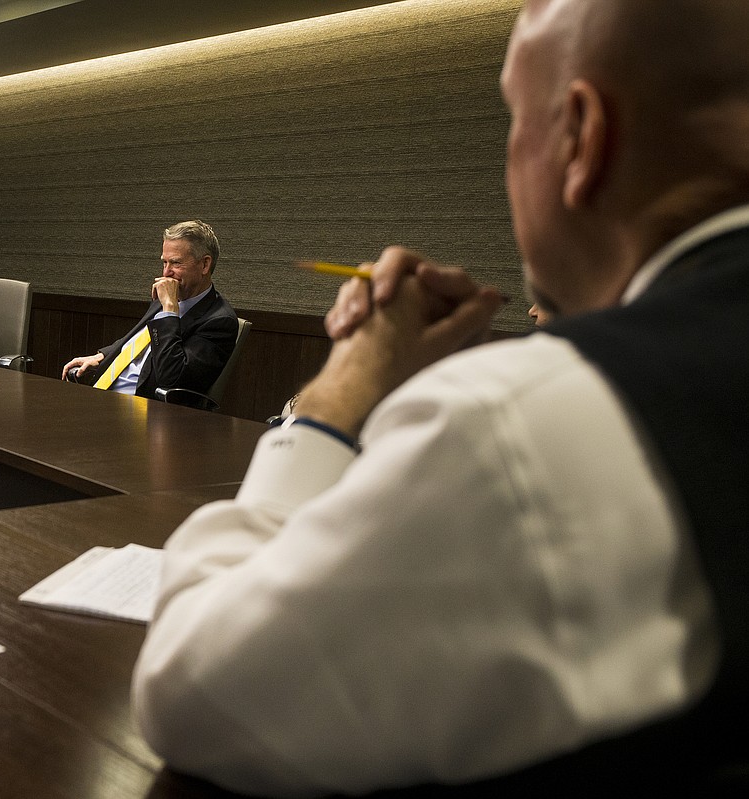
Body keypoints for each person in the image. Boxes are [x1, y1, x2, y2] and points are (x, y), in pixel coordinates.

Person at [132, 0, 748, 796]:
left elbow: (196, 691)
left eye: (513, 124)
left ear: (580, 138)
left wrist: (338, 394)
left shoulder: (511, 424)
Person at [60, 220, 238, 399]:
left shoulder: (219, 321)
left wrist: (169, 310)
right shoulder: (166, 295)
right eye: (164, 263)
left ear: (205, 265)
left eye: (176, 263)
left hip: (144, 407)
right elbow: (137, 339)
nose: (166, 272)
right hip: (102, 393)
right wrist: (103, 356)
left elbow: (172, 378)